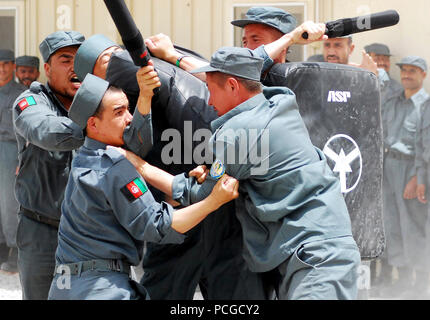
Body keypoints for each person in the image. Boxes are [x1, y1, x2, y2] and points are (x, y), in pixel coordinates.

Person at [121, 38, 361, 300]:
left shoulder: (236, 134)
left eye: (210, 89)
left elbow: (198, 194)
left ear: (233, 86)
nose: (208, 100)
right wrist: (174, 57)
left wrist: (139, 165)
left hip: (315, 258)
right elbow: (236, 83)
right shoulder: (279, 102)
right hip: (324, 246)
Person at [48, 69, 240, 300]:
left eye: (128, 109)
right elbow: (159, 226)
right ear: (93, 124)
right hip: (100, 288)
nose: (129, 118)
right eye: (119, 113)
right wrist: (214, 200)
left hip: (64, 284)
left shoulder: (83, 157)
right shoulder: (115, 166)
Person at [12, 31, 154, 300]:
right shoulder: (30, 102)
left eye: (80, 60)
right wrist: (98, 122)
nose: (75, 68)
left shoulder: (110, 104)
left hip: (96, 237)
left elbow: (140, 142)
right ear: (47, 68)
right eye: (65, 60)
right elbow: (51, 133)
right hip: (43, 232)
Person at [380, 56, 429, 298]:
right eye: (404, 70)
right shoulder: (393, 102)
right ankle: (401, 276)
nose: (407, 74)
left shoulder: (425, 105)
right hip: (388, 167)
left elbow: (424, 146)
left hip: (411, 169)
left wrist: (415, 178)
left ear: (423, 75)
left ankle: (420, 278)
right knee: (391, 222)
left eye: (413, 71)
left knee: (413, 225)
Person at [364, 43, 403, 292]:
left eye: (385, 59)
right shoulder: (359, 80)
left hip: (388, 161)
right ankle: (370, 269)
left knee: (389, 217)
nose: (382, 63)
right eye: (377, 58)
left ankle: (388, 269)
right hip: (365, 160)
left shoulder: (397, 88)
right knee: (367, 216)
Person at [0, 49, 27, 274]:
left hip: (10, 150)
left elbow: (27, 129)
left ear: (13, 66)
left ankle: (15, 249)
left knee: (10, 203)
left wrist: (22, 157)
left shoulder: (22, 93)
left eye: (6, 64)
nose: (2, 69)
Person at [230, 6, 297, 64]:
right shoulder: (239, 76)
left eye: (255, 40)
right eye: (245, 42)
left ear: (282, 43)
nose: (247, 48)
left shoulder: (298, 76)